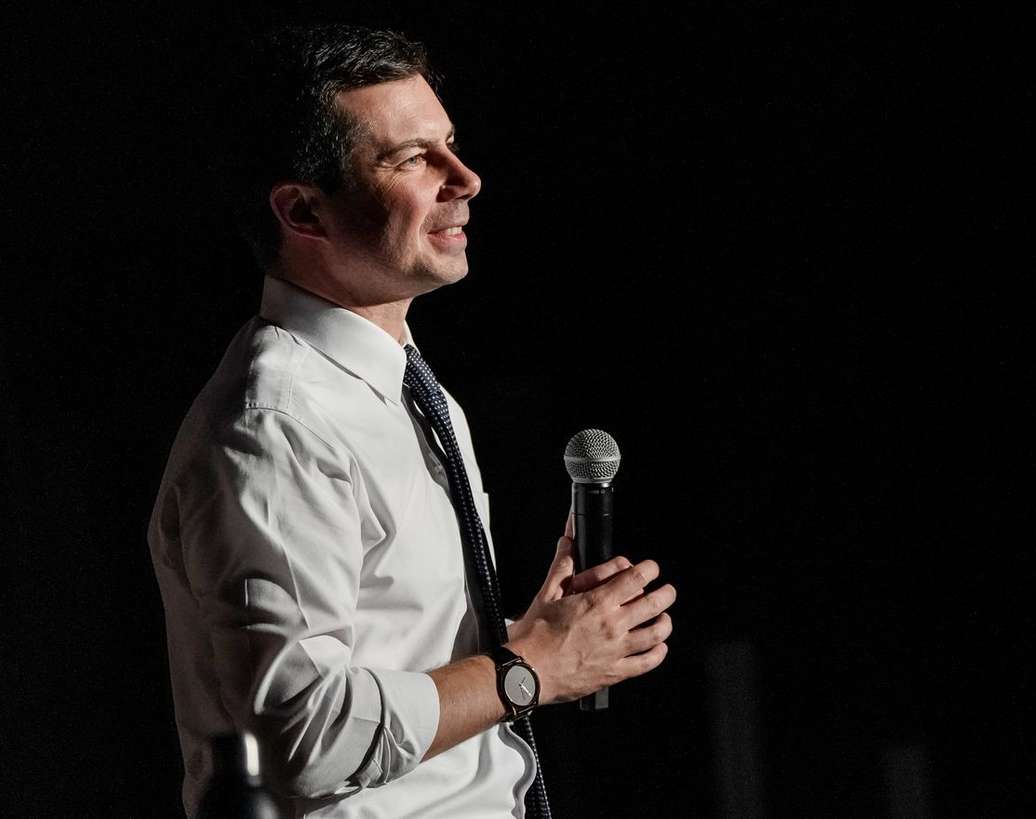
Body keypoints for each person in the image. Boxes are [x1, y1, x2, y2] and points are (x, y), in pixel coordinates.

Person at [147, 24, 675, 818]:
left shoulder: (402, 383)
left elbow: (396, 662)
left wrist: (531, 637)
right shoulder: (279, 424)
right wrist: (527, 668)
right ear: (303, 210)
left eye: (451, 145)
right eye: (410, 159)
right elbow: (304, 736)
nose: (465, 178)